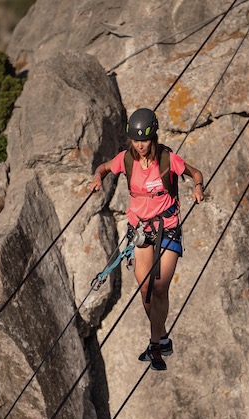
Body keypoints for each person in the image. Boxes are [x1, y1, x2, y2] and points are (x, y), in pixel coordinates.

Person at [89, 108, 204, 371]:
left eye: (144, 140)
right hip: (140, 229)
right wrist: (97, 178)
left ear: (153, 137)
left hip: (167, 227)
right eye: (135, 140)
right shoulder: (126, 159)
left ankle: (154, 344)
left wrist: (198, 187)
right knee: (145, 290)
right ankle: (162, 338)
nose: (140, 146)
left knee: (160, 286)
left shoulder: (167, 160)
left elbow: (195, 173)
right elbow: (104, 168)